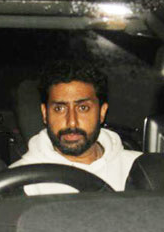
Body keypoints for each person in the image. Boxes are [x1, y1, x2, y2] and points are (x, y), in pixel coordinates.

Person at [10, 61, 140, 194]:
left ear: (102, 112)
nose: (71, 122)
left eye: (83, 108)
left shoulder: (142, 170)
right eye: (59, 108)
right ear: (45, 113)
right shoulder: (17, 183)